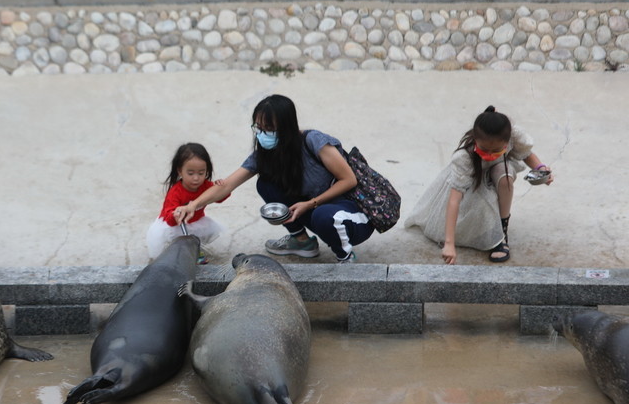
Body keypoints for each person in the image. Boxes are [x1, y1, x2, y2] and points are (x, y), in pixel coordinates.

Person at [174, 94, 375, 264]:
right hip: (315, 210)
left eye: (268, 128)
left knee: (322, 215)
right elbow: (226, 185)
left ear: (287, 127)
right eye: (258, 127)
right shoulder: (265, 155)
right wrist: (193, 205)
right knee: (266, 184)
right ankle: (301, 241)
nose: (262, 134)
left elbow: (349, 180)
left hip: (353, 214)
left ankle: (345, 256)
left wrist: (310, 204)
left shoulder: (314, 141)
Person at [405, 106, 552, 264]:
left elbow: (526, 154)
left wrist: (540, 169)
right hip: (471, 182)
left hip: (497, 173)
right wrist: (449, 244)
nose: (489, 155)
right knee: (479, 208)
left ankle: (502, 233)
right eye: (484, 150)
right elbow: (454, 200)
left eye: (495, 150)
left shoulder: (513, 136)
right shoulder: (464, 158)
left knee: (506, 176)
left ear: (507, 141)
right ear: (475, 140)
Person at [146, 142, 227, 264]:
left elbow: (219, 198)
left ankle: (195, 252)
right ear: (180, 171)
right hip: (175, 225)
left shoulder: (206, 185)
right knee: (177, 245)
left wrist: (221, 188)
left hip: (195, 221)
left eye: (201, 173)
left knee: (198, 238)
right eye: (190, 173)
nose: (196, 178)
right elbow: (168, 217)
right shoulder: (176, 192)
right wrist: (176, 214)